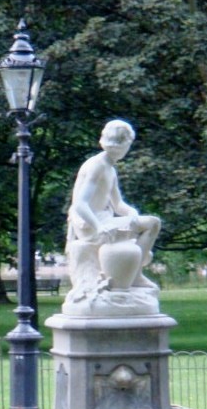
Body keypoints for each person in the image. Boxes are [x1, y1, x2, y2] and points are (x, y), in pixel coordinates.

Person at [67, 119, 160, 290]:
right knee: (152, 224)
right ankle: (135, 276)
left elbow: (118, 204)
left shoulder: (109, 167)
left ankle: (135, 274)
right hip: (90, 224)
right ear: (123, 144)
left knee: (152, 222)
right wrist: (98, 227)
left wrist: (132, 213)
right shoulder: (97, 165)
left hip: (103, 219)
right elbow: (79, 204)